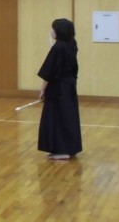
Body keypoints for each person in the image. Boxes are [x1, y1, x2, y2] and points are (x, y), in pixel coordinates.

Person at [37, 18, 82, 160]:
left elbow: (49, 71)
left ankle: (64, 150)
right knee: (68, 116)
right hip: (69, 85)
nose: (51, 31)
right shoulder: (72, 43)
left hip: (58, 87)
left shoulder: (58, 48)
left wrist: (42, 90)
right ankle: (69, 148)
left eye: (54, 29)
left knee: (58, 117)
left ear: (59, 31)